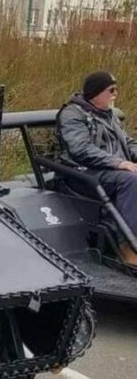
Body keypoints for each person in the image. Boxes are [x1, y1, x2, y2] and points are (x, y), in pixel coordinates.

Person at [57, 70, 137, 266]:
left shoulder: (109, 114)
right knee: (131, 180)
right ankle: (128, 247)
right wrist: (119, 163)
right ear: (96, 92)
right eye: (111, 90)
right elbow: (80, 149)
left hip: (112, 172)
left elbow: (127, 142)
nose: (115, 94)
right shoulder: (72, 114)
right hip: (84, 173)